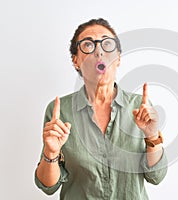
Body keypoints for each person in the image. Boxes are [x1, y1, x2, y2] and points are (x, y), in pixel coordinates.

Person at [34, 18, 168, 200]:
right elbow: (48, 186)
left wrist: (152, 136)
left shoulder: (139, 107)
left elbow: (156, 176)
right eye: (88, 45)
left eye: (107, 44)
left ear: (118, 58)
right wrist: (51, 153)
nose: (99, 51)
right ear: (76, 61)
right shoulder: (60, 111)